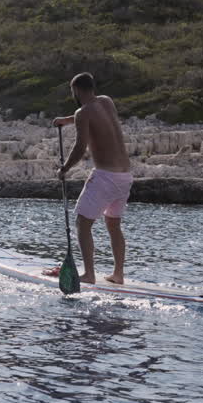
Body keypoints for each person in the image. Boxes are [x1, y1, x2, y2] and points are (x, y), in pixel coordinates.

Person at [41, 72, 133, 284]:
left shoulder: (83, 112)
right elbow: (93, 117)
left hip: (105, 177)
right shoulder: (106, 102)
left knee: (82, 223)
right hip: (125, 177)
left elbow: (80, 146)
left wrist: (64, 169)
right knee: (113, 224)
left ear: (76, 91)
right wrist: (66, 120)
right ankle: (118, 274)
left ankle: (89, 274)